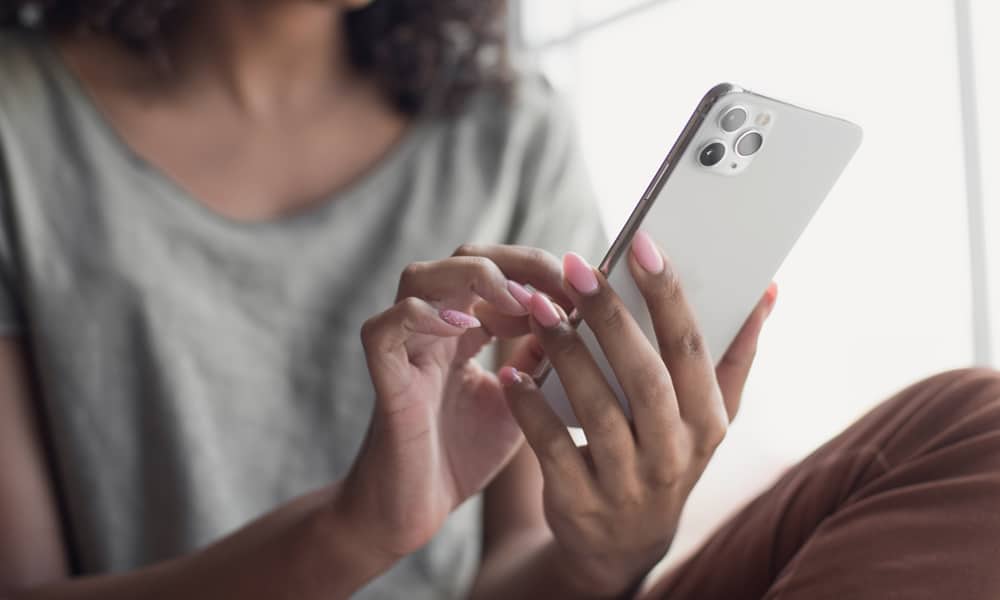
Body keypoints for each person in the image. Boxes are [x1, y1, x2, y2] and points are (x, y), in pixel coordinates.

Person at [0, 2, 998, 599]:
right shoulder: (22, 125)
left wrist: (608, 548)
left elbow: (518, 561)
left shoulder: (507, 129)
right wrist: (351, 536)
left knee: (976, 426)